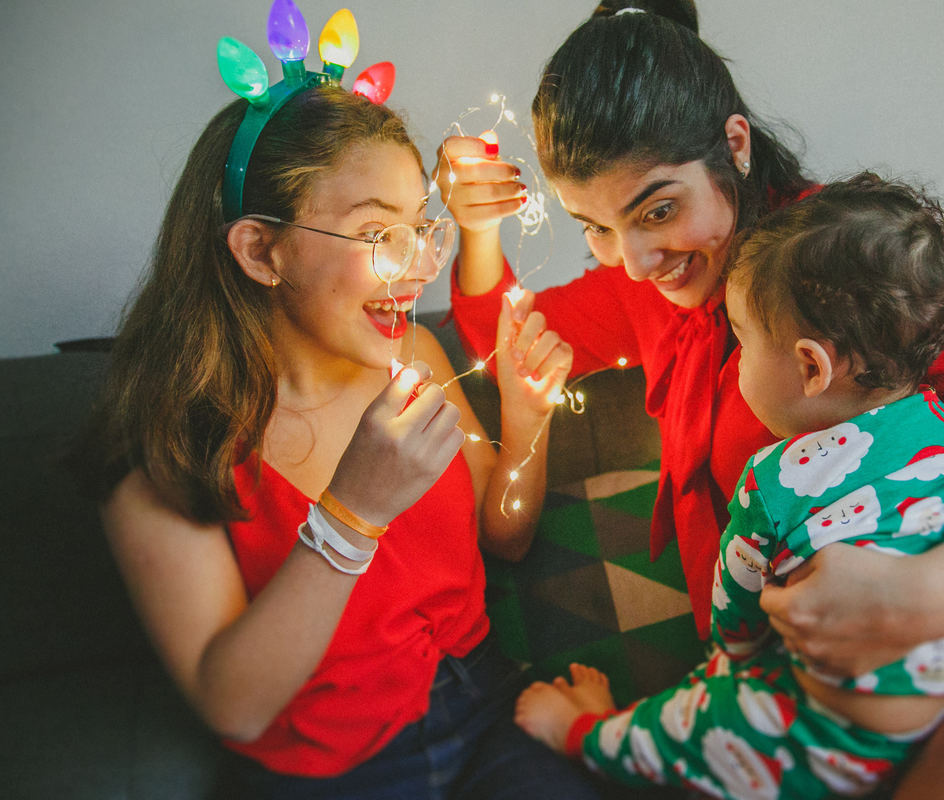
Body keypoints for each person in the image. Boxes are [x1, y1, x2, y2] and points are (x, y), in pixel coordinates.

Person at [438, 2, 944, 798]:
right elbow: (501, 333)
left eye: (658, 209)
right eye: (597, 230)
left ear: (736, 148)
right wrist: (478, 233)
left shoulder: (858, 264)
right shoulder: (654, 286)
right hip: (805, 700)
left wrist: (931, 591)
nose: (636, 262)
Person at [74, 58, 605, 799]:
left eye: (422, 225)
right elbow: (236, 706)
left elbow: (506, 536)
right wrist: (351, 517)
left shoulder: (413, 359)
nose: (420, 265)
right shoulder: (165, 448)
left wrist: (527, 421)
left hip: (483, 707)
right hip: (331, 771)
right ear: (262, 251)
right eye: (378, 234)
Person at [513, 174, 944, 799]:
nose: (735, 359)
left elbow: (737, 610)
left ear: (809, 366)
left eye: (741, 342)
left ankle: (586, 732)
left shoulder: (777, 477)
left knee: (689, 723)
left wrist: (732, 667)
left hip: (830, 732)